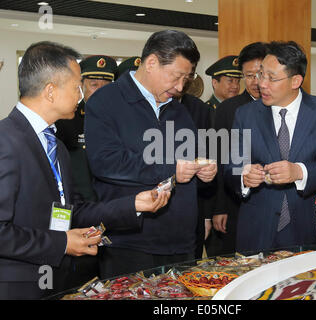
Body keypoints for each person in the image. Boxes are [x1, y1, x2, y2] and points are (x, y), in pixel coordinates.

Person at [0, 41, 171, 300]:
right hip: (17, 286)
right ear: (50, 91)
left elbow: (72, 209)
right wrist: (63, 243)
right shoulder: (6, 141)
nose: (81, 95)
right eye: (76, 86)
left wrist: (134, 204)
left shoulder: (54, 143)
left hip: (54, 279)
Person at [84, 30, 217, 279]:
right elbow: (106, 162)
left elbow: (191, 161)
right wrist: (171, 168)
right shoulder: (106, 102)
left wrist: (205, 173)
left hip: (181, 243)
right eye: (176, 76)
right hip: (129, 241)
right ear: (152, 62)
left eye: (186, 79)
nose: (180, 87)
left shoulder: (180, 111)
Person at [224, 41, 316, 253]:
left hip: (310, 228)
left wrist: (299, 171)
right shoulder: (245, 115)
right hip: (257, 230)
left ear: (295, 81)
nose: (262, 83)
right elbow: (231, 166)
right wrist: (243, 176)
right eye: (261, 74)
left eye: (272, 78)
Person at [55, 55, 117, 289]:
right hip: (79, 215)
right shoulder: (66, 120)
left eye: (106, 85)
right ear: (81, 85)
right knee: (79, 283)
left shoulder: (118, 120)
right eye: (94, 84)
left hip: (114, 212)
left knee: (113, 282)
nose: (100, 90)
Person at [208, 42, 268, 256]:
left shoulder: (282, 106)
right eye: (249, 76)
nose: (256, 82)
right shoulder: (229, 109)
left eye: (260, 74)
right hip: (237, 202)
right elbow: (219, 159)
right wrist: (219, 208)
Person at [173, 68, 216, 259]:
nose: (182, 83)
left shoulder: (200, 109)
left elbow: (209, 159)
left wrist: (207, 215)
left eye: (187, 78)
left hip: (193, 204)